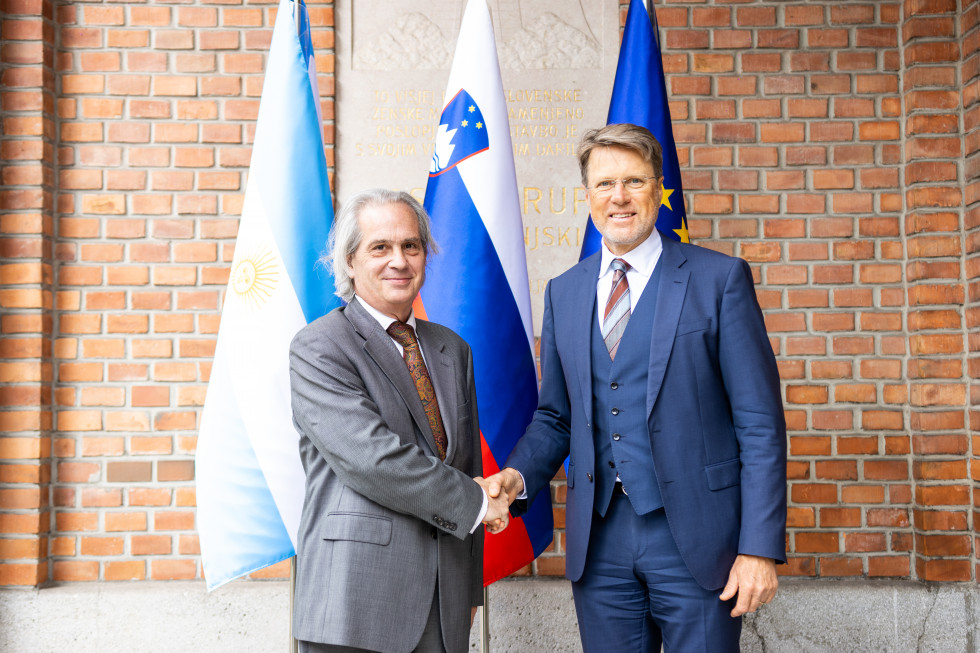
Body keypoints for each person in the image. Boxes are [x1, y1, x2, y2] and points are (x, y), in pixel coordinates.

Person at [486, 123, 787, 652]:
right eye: (604, 185)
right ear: (587, 196)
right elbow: (557, 416)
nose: (619, 197)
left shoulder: (720, 280)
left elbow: (759, 423)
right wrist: (516, 476)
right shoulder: (566, 291)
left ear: (657, 187)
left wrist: (758, 548)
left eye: (634, 181)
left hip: (699, 540)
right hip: (599, 545)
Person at [288, 188, 509, 653]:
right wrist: (474, 501)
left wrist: (468, 592)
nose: (399, 261)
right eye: (380, 247)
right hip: (356, 605)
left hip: (444, 610)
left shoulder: (452, 349)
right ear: (349, 262)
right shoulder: (321, 347)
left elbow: (462, 465)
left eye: (411, 246)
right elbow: (373, 459)